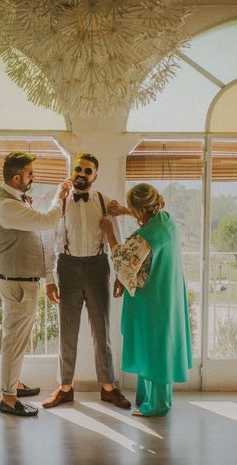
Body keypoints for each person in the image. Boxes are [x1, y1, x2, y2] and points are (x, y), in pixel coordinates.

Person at [42, 153, 131, 409]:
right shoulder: (59, 203)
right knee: (67, 331)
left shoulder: (105, 202)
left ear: (95, 175)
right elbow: (49, 242)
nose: (81, 174)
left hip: (98, 266)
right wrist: (49, 279)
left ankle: (108, 387)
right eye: (78, 169)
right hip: (67, 267)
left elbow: (119, 240)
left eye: (87, 171)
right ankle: (65, 387)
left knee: (102, 331)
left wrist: (121, 277)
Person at [100, 183, 192, 416]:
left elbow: (122, 260)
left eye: (132, 208)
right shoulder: (166, 220)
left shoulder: (146, 236)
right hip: (168, 290)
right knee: (158, 345)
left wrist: (109, 232)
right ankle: (148, 397)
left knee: (153, 347)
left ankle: (157, 405)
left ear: (140, 210)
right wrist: (124, 211)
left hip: (153, 296)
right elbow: (146, 218)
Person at [0, 152, 71, 417]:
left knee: (18, 338)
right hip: (17, 282)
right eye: (30, 174)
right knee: (14, 340)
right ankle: (9, 398)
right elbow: (48, 221)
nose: (33, 178)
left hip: (23, 280)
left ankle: (14, 384)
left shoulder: (18, 200)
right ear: (16, 178)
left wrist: (48, 277)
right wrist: (60, 196)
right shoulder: (7, 206)